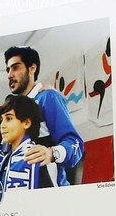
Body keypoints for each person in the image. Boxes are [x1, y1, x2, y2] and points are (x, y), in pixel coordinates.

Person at [5, 45, 84, 186]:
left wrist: (51, 153)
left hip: (50, 190)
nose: (10, 74)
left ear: (32, 68)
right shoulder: (12, 108)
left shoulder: (48, 97)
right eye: (8, 69)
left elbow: (75, 143)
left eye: (15, 67)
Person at [0, 96, 55, 193]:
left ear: (26, 123)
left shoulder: (38, 156)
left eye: (9, 118)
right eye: (1, 119)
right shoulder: (7, 159)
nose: (2, 125)